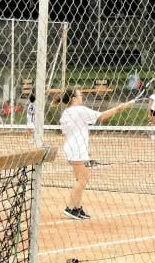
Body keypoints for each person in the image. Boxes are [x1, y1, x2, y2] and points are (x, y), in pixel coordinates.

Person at [59, 87, 138, 220]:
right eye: (80, 95)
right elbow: (102, 116)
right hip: (76, 149)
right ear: (73, 98)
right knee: (83, 179)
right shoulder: (79, 110)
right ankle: (70, 208)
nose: (82, 96)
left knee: (81, 179)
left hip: (73, 148)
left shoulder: (66, 112)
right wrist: (121, 108)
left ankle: (77, 208)